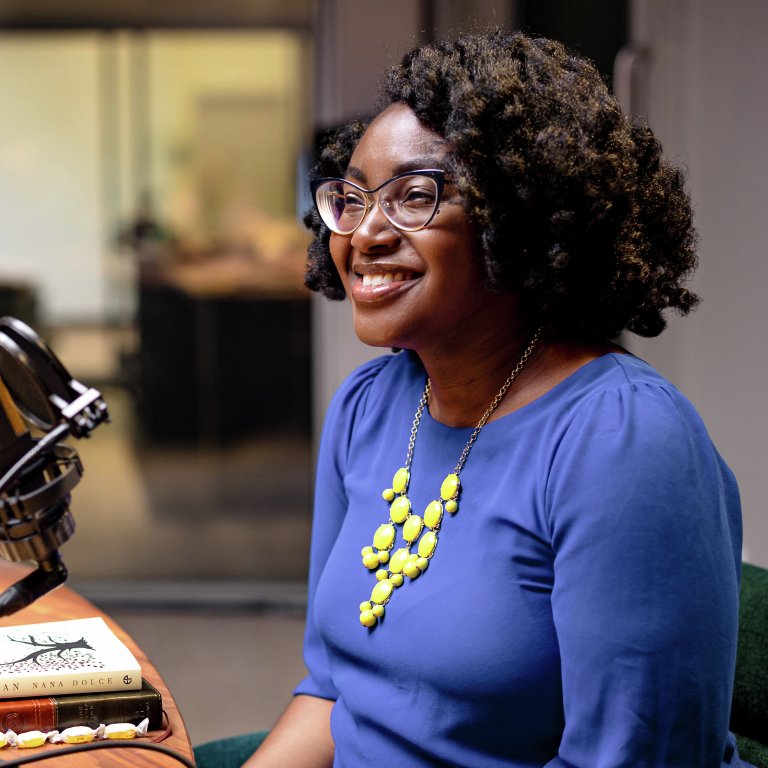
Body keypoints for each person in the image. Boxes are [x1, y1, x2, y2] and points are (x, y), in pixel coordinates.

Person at [240, 30, 749, 767]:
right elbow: (330, 692)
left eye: (415, 195)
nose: (366, 232)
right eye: (350, 199)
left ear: (520, 219)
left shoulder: (625, 439)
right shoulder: (368, 406)